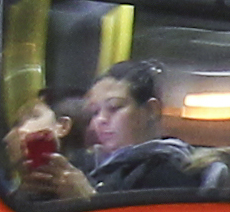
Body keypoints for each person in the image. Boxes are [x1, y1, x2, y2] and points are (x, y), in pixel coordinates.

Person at [80, 60, 205, 195]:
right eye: (95, 112)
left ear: (152, 109)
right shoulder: (94, 164)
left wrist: (85, 196)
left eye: (114, 107)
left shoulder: (170, 172)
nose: (101, 120)